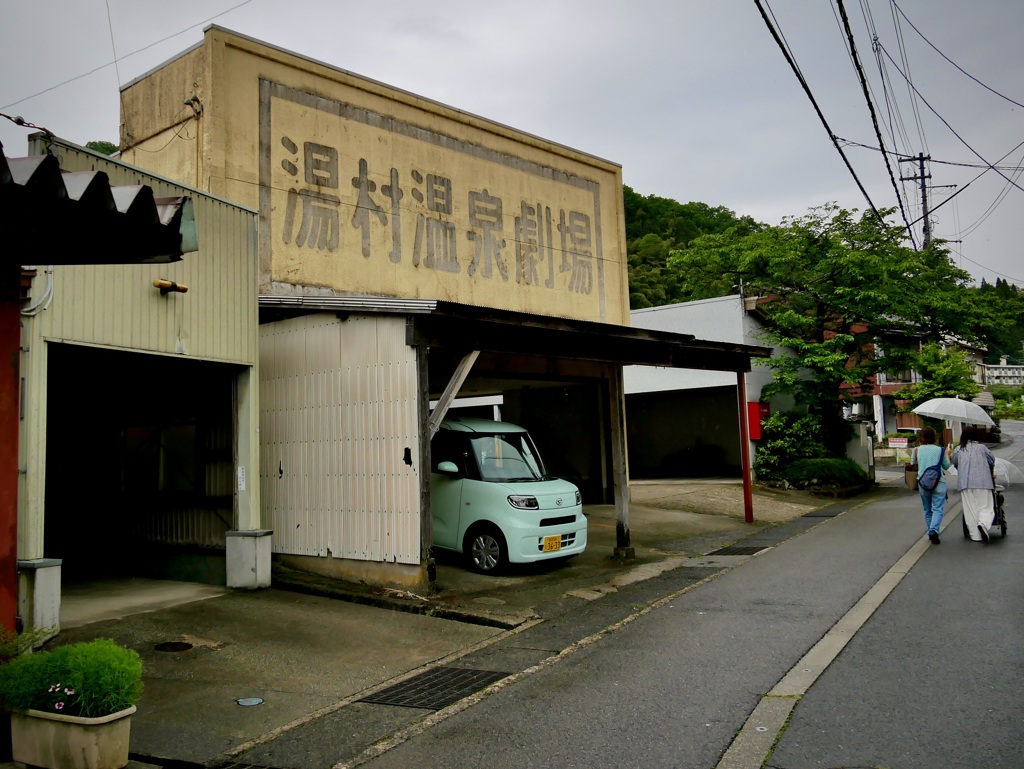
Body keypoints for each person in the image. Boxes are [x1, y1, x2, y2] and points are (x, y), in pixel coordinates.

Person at [951, 425, 997, 543]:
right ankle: (983, 524)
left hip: (965, 483)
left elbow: (956, 463)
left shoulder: (958, 449)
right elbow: (991, 461)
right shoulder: (982, 448)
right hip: (983, 481)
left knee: (970, 510)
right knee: (985, 506)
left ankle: (976, 536)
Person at [913, 427, 951, 544]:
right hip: (939, 482)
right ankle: (934, 530)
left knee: (927, 509)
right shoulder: (940, 450)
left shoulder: (917, 450)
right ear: (934, 437)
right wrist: (948, 454)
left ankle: (931, 531)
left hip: (923, 483)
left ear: (921, 437)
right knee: (937, 509)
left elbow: (913, 464)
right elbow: (946, 466)